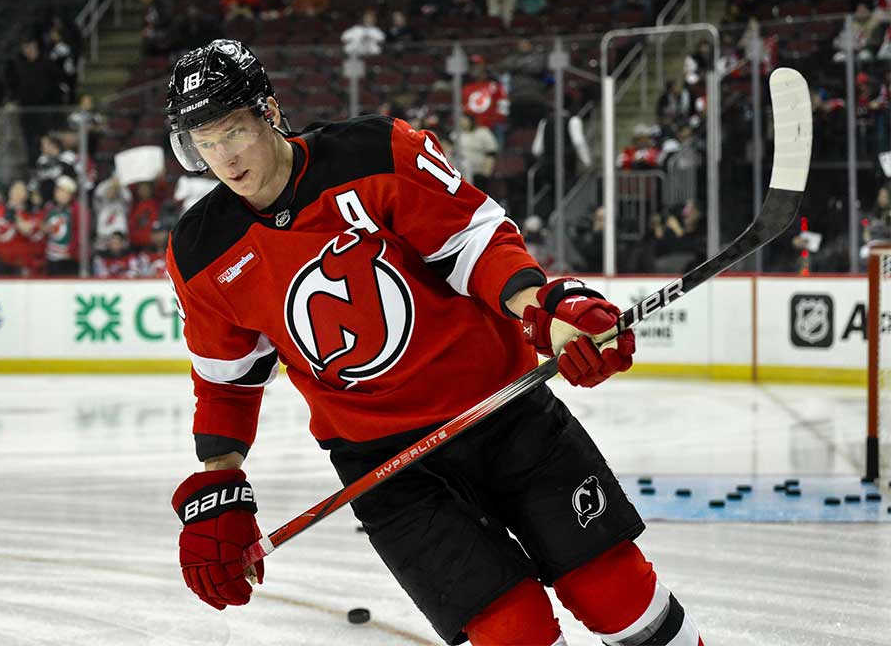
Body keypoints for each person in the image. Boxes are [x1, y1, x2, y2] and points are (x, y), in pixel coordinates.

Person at [163, 40, 701, 646]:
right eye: (203, 142)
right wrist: (219, 489)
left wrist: (543, 310)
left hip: (502, 412)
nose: (223, 158)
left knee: (615, 591)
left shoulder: (375, 153)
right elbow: (225, 382)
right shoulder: (200, 249)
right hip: (389, 469)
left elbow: (475, 245)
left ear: (268, 111)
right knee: (512, 631)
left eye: (232, 131)